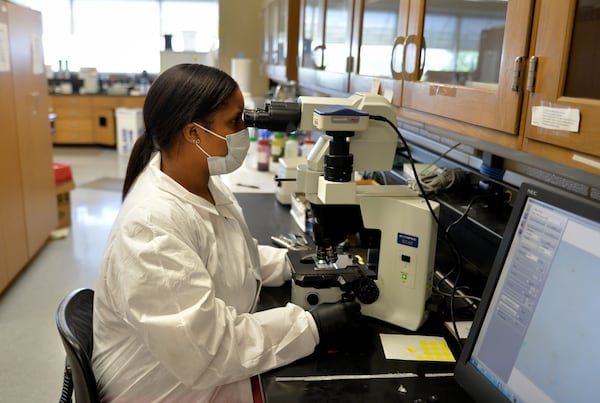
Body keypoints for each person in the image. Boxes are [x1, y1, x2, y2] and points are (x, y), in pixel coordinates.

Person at [92, 63, 360, 402]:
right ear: (193, 133)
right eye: (235, 122)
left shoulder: (201, 184)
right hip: (170, 389)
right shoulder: (150, 228)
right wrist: (313, 326)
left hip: (194, 374)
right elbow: (210, 351)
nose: (243, 131)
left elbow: (233, 256)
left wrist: (298, 262)